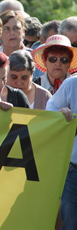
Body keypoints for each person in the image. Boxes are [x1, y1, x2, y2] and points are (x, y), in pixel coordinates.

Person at [46, 77, 77, 229]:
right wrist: (60, 113)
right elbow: (50, 110)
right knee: (70, 223)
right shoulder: (72, 84)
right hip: (74, 170)